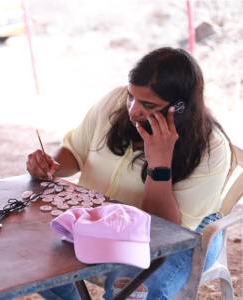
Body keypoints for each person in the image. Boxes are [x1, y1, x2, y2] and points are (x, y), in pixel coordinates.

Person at [26, 47, 233, 299]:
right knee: (35, 255)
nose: (133, 110)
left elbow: (164, 231)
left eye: (148, 105)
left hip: (184, 236)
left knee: (134, 289)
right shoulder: (114, 103)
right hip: (106, 222)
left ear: (179, 108)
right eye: (131, 96)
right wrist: (51, 165)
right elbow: (74, 153)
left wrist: (159, 165)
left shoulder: (211, 148)